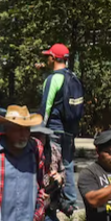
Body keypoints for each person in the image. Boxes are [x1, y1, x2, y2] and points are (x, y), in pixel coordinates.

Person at [39, 43, 83, 208]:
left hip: (54, 129)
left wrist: (40, 131)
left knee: (52, 164)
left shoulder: (54, 78)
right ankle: (71, 203)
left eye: (48, 56)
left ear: (52, 58)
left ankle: (53, 201)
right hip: (69, 131)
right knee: (68, 164)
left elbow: (46, 108)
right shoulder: (73, 77)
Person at [31, 125, 68, 221]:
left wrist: (60, 178)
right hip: (28, 215)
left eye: (42, 135)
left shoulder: (53, 151)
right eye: (35, 135)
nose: (39, 139)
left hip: (48, 213)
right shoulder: (23, 153)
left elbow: (63, 172)